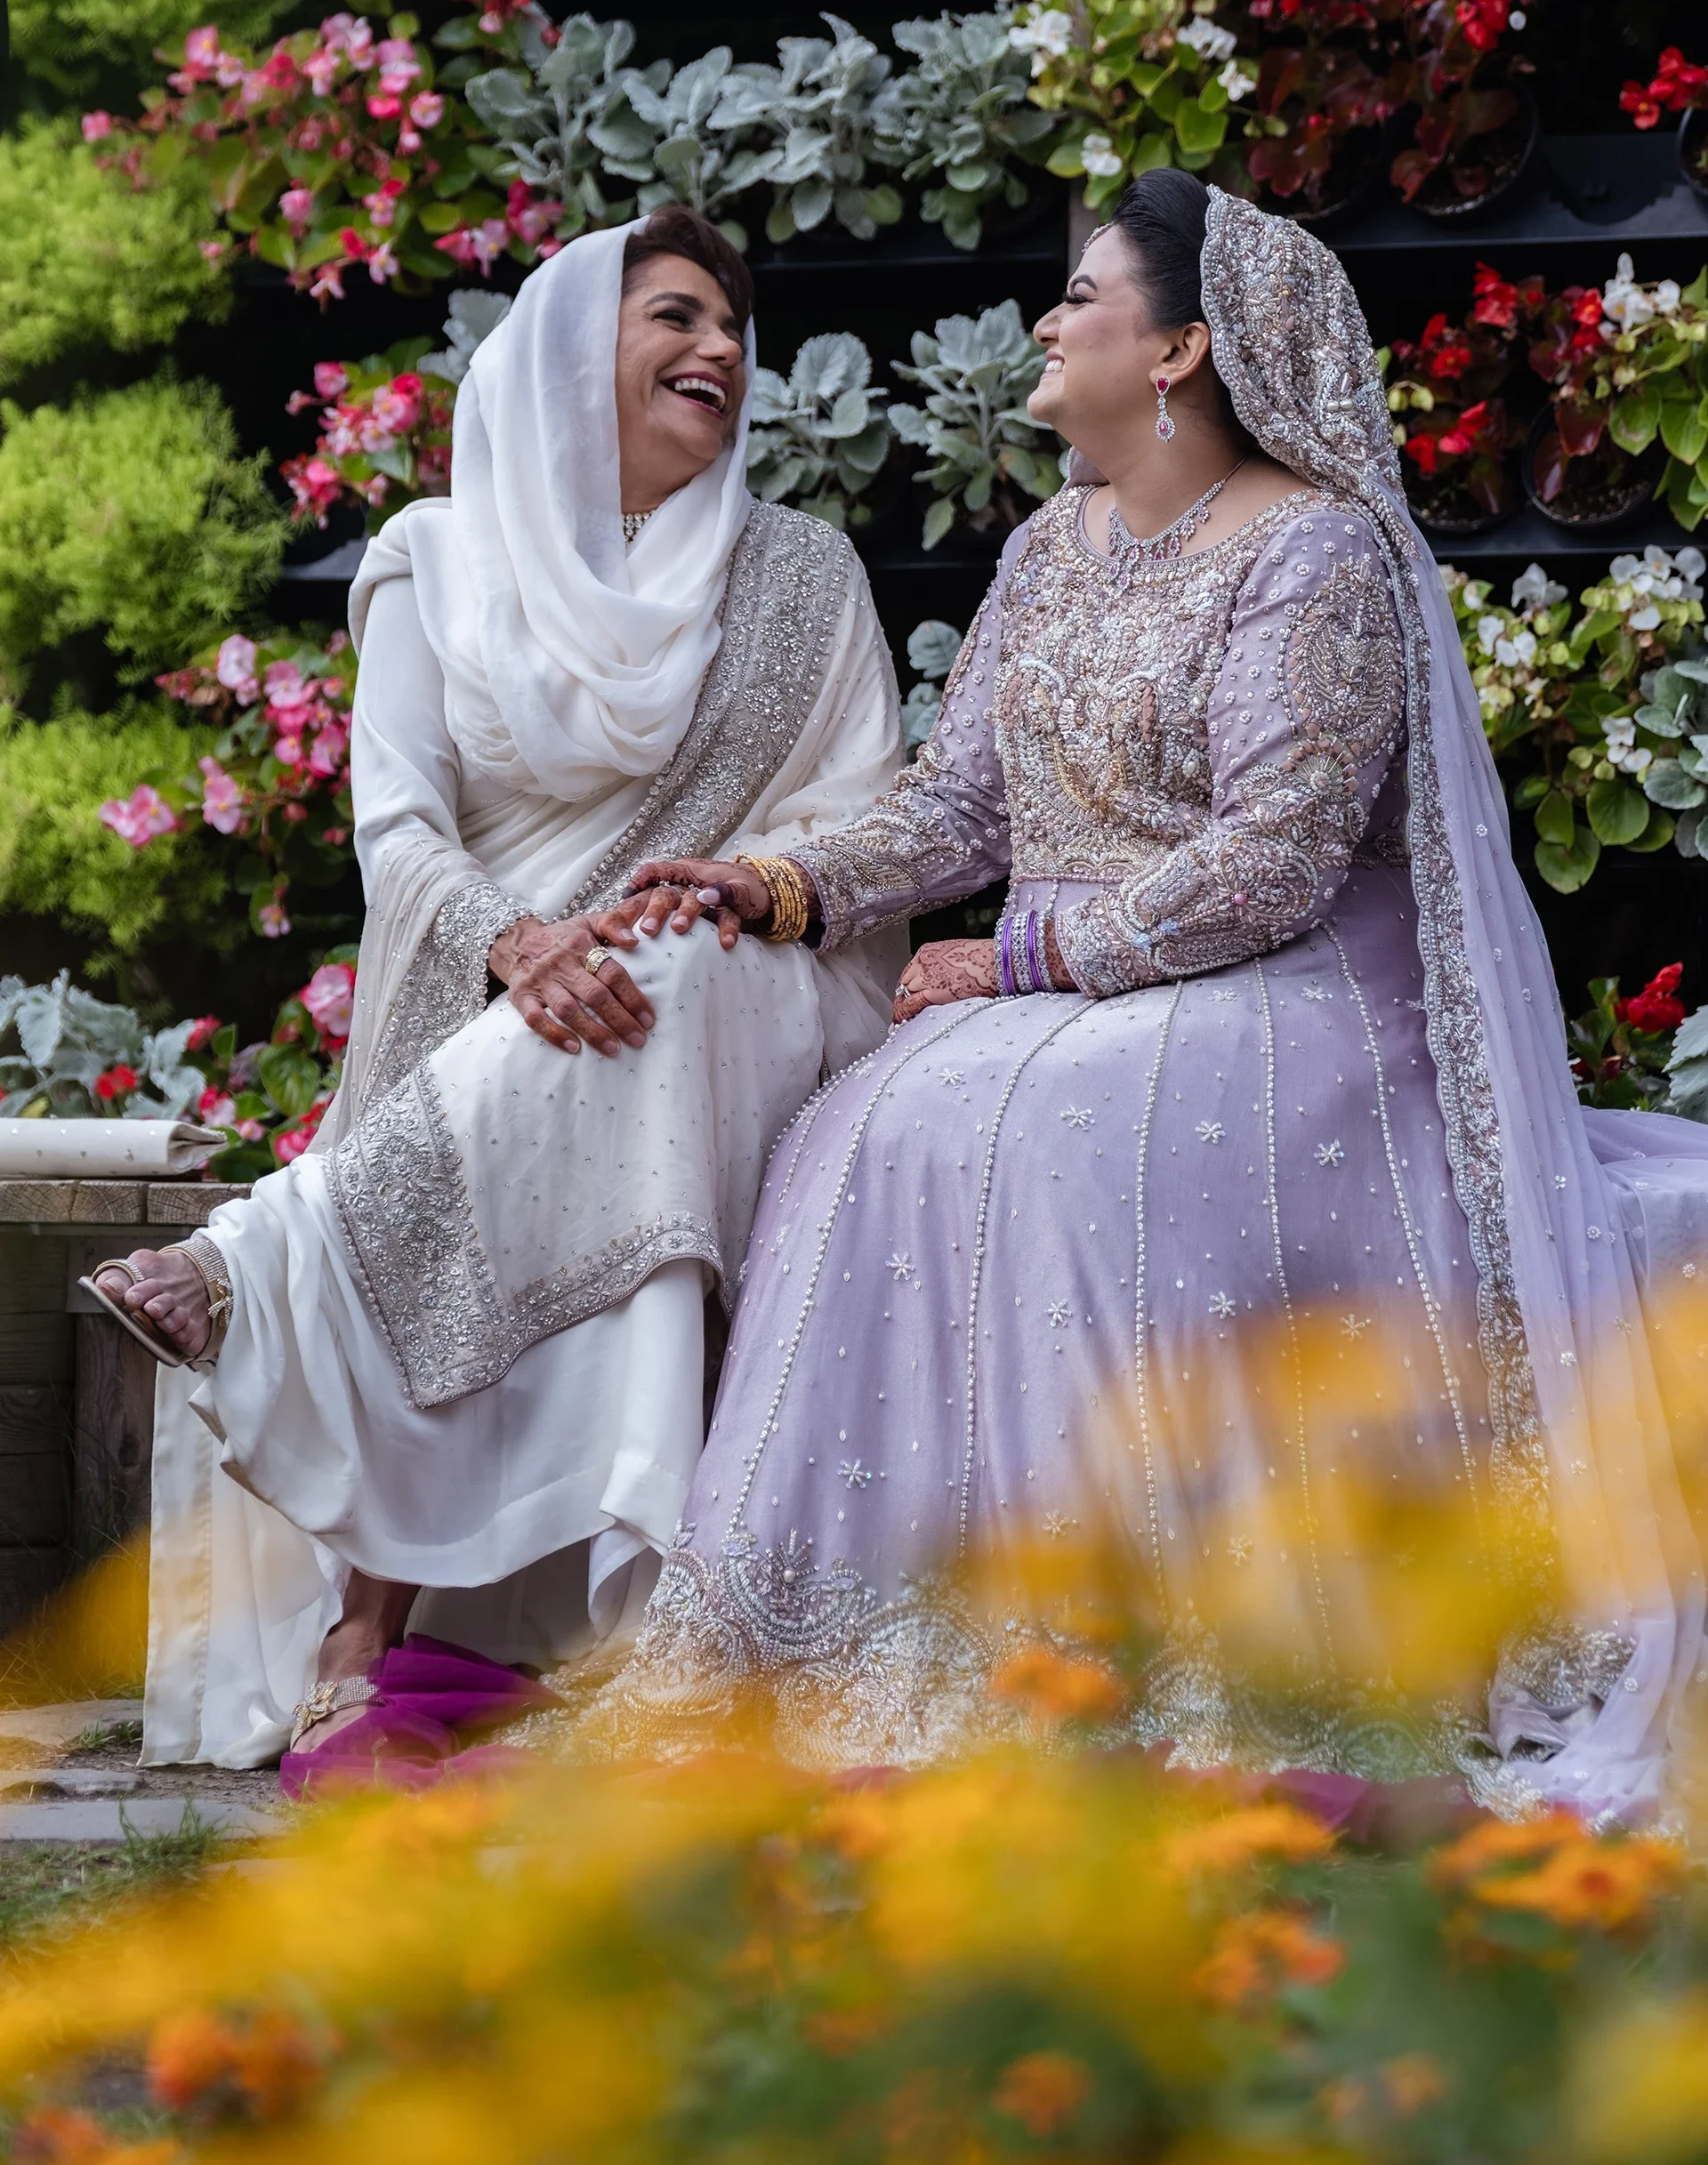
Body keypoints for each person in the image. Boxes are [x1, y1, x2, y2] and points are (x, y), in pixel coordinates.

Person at [595, 173, 1708, 1823]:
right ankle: (878, 1636)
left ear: (1182, 347)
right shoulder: (1050, 546)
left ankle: (1146, 1658)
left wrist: (1026, 956)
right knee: (881, 1111)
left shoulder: (1316, 552)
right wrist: (782, 883)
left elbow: (1277, 862)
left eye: (1083, 300)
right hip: (1081, 988)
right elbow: (962, 807)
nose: (1046, 324)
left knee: (1032, 1119)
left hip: (1297, 990)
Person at [93, 209, 906, 1779]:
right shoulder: (436, 558)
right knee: (583, 1025)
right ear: (560, 356)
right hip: (478, 985)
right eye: (677, 316)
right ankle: (376, 1606)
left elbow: (860, 819)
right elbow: (396, 828)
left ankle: (265, 1286)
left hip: (733, 978)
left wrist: (712, 894)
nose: (722, 351)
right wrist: (519, 941)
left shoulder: (804, 579)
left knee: (646, 989)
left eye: (737, 328)